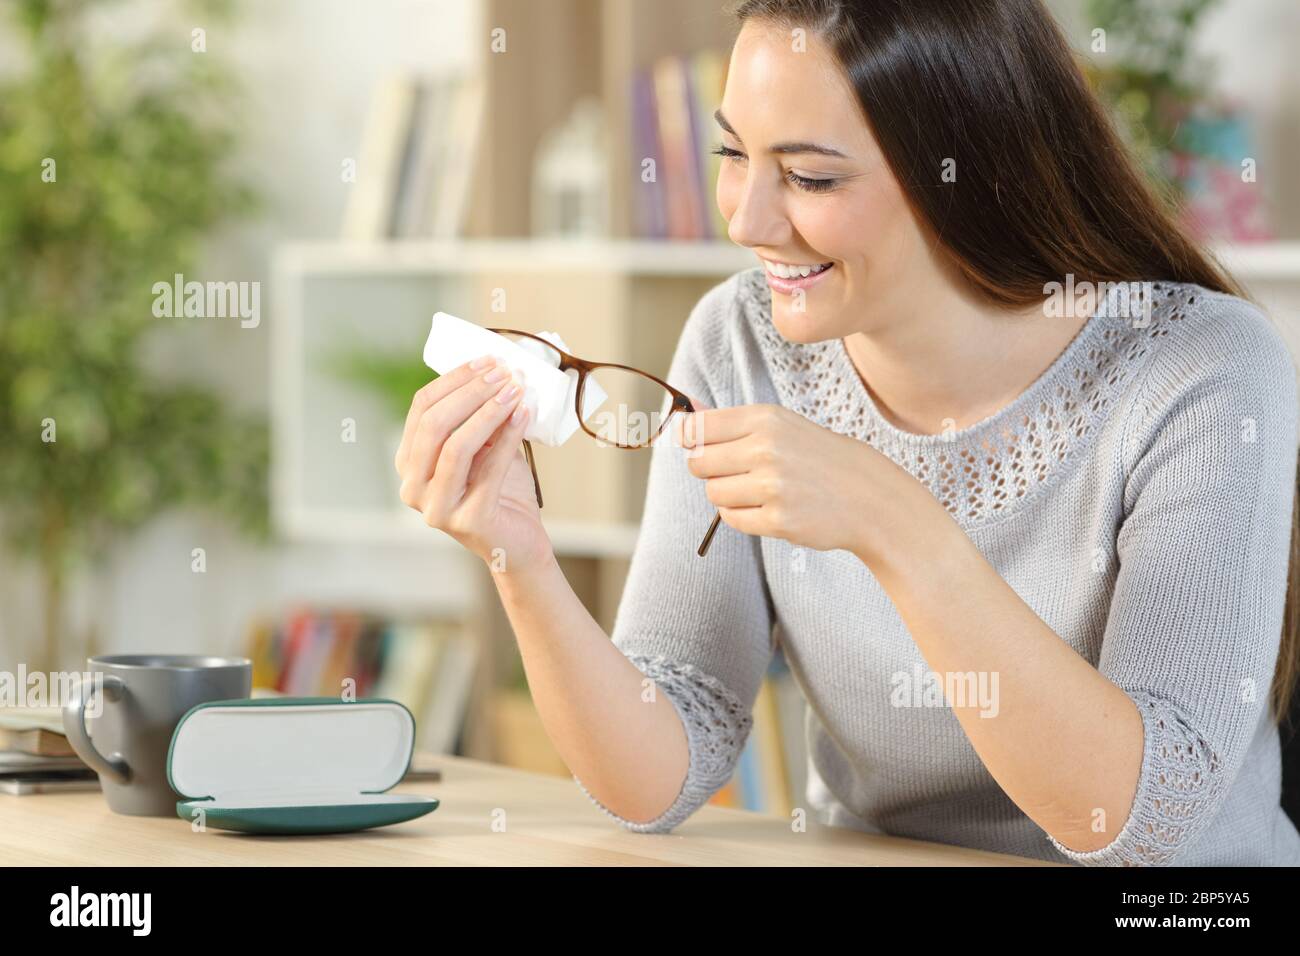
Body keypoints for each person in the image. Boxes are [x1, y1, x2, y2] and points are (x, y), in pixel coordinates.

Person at [393, 0, 1300, 865]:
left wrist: (892, 524)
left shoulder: (1201, 369)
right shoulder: (737, 339)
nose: (747, 219)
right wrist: (521, 559)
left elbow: (1149, 826)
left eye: (811, 176)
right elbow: (653, 781)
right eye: (732, 152)